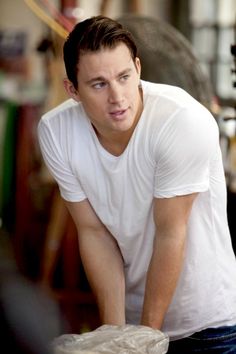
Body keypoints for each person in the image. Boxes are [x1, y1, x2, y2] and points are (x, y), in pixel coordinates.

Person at [37, 15, 236, 353]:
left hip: (208, 326)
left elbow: (171, 233)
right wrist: (117, 337)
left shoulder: (182, 121)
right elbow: (95, 234)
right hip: (132, 314)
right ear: (72, 89)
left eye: (124, 77)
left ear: (139, 68)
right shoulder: (56, 132)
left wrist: (144, 340)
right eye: (98, 84)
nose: (118, 97)